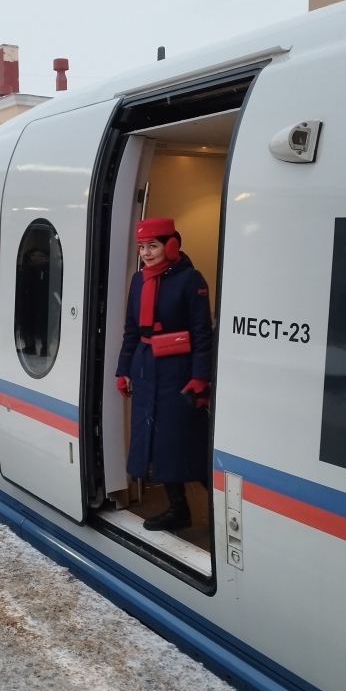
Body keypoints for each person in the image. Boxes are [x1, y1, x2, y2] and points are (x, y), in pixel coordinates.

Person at [116, 217, 212, 532]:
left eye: (153, 246)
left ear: (171, 245)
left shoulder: (190, 279)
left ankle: (224, 511)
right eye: (142, 247)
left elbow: (202, 333)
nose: (146, 253)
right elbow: (131, 330)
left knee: (186, 441)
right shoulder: (138, 280)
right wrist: (123, 369)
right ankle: (178, 509)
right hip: (146, 369)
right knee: (156, 443)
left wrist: (200, 378)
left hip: (179, 371)